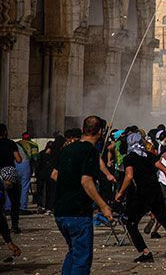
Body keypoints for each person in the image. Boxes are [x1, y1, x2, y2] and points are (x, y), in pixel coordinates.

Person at [52, 116, 114, 274]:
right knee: (82, 259)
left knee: (73, 253)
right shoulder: (90, 151)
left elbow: (54, 175)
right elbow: (86, 181)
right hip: (78, 212)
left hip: (60, 211)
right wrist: (104, 206)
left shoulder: (67, 148)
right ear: (100, 132)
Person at [115, 132, 166, 263]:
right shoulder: (150, 156)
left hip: (140, 194)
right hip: (155, 191)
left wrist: (120, 192)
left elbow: (129, 176)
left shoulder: (129, 158)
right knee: (165, 221)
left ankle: (145, 252)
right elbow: (165, 170)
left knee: (131, 224)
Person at [16, 132, 38, 213]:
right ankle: (22, 207)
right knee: (25, 187)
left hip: (15, 165)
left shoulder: (16, 143)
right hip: (25, 165)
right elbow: (35, 158)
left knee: (12, 187)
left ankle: (8, 207)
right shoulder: (33, 144)